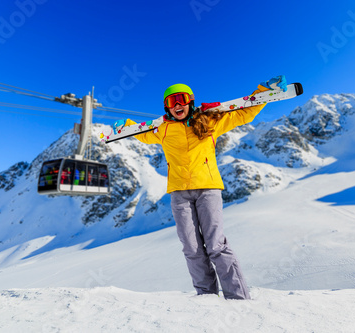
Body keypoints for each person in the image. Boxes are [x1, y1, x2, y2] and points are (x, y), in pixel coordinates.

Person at [114, 75, 287, 300]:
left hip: (208, 189)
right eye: (171, 101)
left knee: (216, 244)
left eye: (181, 99)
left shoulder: (209, 121)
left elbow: (243, 113)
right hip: (179, 194)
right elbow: (142, 134)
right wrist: (126, 127)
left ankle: (238, 297)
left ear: (190, 102)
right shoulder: (162, 130)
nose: (177, 105)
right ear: (166, 106)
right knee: (191, 248)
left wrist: (264, 92)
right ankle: (206, 298)